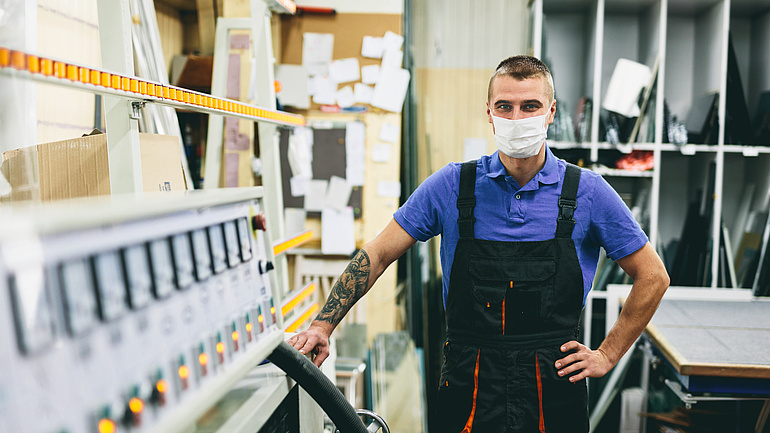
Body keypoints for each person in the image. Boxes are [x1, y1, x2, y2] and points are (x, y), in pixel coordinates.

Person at [287, 55, 670, 432]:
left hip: (552, 387)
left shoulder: (586, 192)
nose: (517, 119)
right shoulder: (453, 186)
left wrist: (607, 354)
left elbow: (653, 276)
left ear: (551, 112)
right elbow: (379, 252)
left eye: (530, 106)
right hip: (469, 385)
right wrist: (323, 324)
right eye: (505, 106)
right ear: (489, 112)